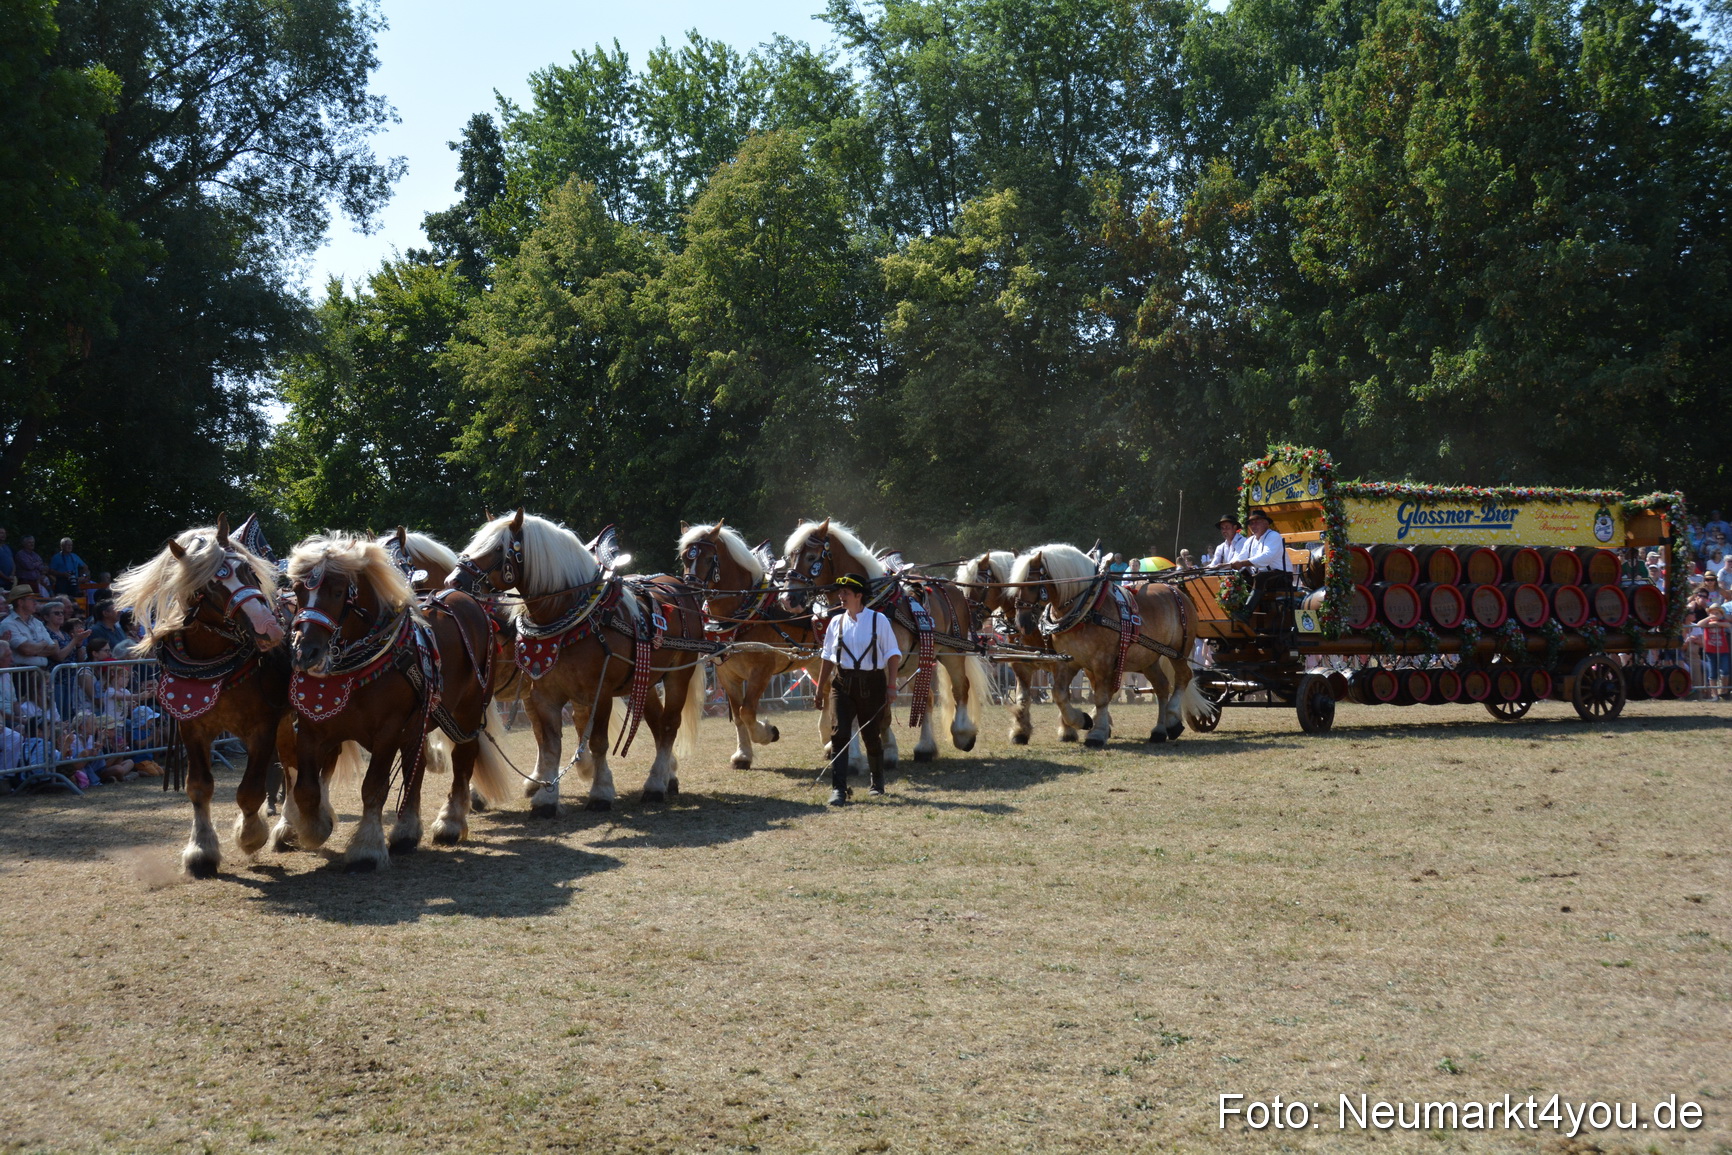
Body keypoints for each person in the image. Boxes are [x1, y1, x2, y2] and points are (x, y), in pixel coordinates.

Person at [814, 573, 900, 806]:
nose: (840, 597)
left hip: (872, 683)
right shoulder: (836, 622)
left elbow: (892, 654)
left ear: (859, 595)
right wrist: (820, 687)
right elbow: (827, 657)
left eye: (846, 593)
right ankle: (839, 789)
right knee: (839, 734)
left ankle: (877, 780)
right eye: (840, 592)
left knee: (871, 735)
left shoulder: (878, 620)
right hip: (842, 683)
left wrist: (891, 685)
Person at [0, 584, 54, 669]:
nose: (35, 602)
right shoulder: (8, 624)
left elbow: (53, 648)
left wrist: (33, 651)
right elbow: (26, 649)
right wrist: (43, 643)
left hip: (42, 671)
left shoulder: (37, 622)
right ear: (20, 602)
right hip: (22, 674)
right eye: (31, 599)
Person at [1227, 509, 1294, 574]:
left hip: (1280, 576)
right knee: (1237, 577)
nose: (1253, 526)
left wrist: (1242, 563)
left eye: (1256, 523)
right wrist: (1228, 566)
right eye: (1251, 524)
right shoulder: (1250, 541)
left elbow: (1266, 557)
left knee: (1260, 578)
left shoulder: (1274, 536)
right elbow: (1241, 557)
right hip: (1260, 576)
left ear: (1266, 524)